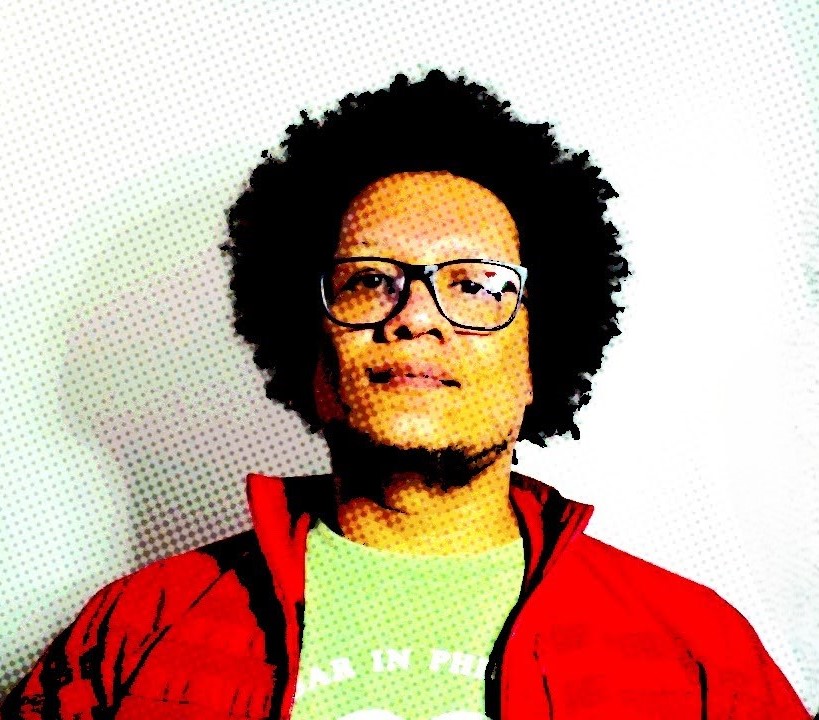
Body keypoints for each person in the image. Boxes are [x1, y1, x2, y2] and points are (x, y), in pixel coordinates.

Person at [1, 71, 809, 720]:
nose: (416, 315)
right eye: (368, 281)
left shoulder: (697, 652)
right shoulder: (131, 635)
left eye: (477, 285)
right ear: (309, 348)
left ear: (541, 353)